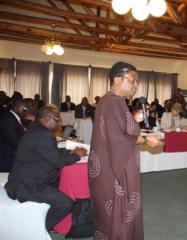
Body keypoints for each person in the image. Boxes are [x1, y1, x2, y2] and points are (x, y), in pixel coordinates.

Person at [88, 61, 162, 240]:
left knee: (109, 218)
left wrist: (134, 119)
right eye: (133, 80)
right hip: (115, 169)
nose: (136, 85)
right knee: (119, 216)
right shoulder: (114, 102)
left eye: (138, 81)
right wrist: (146, 139)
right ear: (117, 79)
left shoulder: (109, 100)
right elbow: (117, 139)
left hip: (107, 166)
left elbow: (116, 128)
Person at [5, 105, 87, 230]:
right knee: (66, 204)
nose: (59, 122)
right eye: (56, 119)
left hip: (25, 179)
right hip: (28, 185)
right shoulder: (43, 134)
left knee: (59, 183)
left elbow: (50, 154)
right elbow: (57, 162)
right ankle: (36, 229)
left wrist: (70, 153)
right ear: (45, 118)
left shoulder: (36, 129)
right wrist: (76, 155)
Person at [0, 99, 28, 172]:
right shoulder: (8, 120)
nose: (26, 111)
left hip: (15, 157)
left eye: (27, 109)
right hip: (8, 160)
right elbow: (17, 142)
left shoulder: (16, 118)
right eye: (24, 109)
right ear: (16, 108)